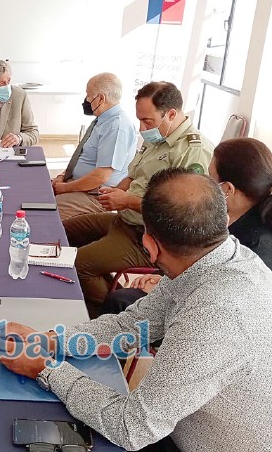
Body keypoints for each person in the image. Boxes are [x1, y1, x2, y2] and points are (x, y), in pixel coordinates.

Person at [0, 168, 272, 452]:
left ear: (149, 246)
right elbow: (132, 326)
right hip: (213, 443)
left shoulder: (217, 313)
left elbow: (131, 427)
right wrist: (51, 340)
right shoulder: (214, 258)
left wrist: (46, 370)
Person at [102, 137, 272, 313]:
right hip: (203, 297)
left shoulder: (258, 246)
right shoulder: (244, 217)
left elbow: (219, 300)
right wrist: (162, 281)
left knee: (120, 303)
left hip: (217, 323)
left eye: (211, 178)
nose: (206, 184)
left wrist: (166, 290)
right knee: (125, 301)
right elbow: (197, 264)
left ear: (227, 189)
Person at [64, 81, 214, 315]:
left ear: (171, 114)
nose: (142, 128)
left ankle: (114, 317)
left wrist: (126, 201)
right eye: (140, 120)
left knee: (78, 264)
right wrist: (117, 193)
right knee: (64, 231)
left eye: (147, 121)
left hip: (148, 239)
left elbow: (179, 214)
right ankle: (91, 286)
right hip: (125, 220)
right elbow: (133, 175)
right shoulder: (158, 138)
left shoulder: (192, 150)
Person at [53, 73, 137, 220]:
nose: (86, 99)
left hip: (95, 194)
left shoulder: (116, 127)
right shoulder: (103, 120)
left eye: (88, 95)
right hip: (78, 184)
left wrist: (65, 188)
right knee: (36, 194)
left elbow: (100, 177)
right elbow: (83, 156)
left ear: (101, 98)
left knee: (47, 213)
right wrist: (62, 176)